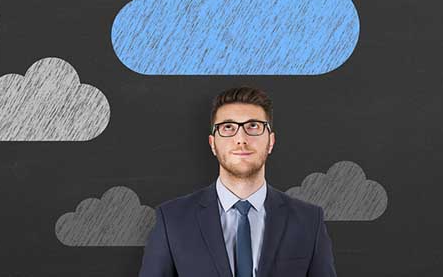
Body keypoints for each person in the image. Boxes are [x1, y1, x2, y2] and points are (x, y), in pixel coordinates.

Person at [139, 86, 337, 277]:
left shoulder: (309, 221)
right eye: (228, 127)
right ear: (212, 144)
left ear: (271, 141)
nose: (241, 139)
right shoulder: (172, 220)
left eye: (253, 126)